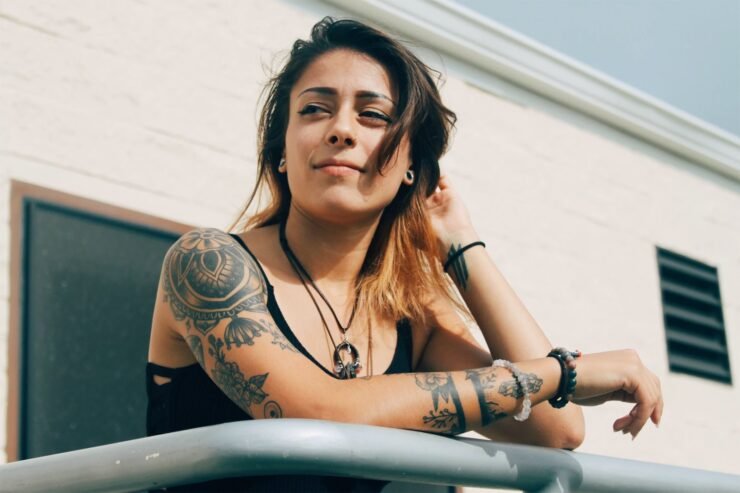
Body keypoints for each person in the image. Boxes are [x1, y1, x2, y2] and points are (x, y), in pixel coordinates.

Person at [146, 16, 663, 493]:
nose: (341, 129)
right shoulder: (207, 263)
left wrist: (461, 246)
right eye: (314, 109)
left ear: (412, 166)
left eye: (373, 115)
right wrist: (565, 373)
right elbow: (316, 412)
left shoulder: (412, 317)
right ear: (282, 150)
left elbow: (556, 429)